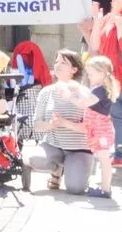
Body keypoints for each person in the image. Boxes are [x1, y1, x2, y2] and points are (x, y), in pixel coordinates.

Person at [25, 49, 92, 195]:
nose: (57, 65)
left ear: (74, 69)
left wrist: (65, 122)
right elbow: (37, 125)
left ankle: (76, 170)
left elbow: (90, 128)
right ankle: (57, 170)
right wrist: (51, 124)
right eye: (56, 62)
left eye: (63, 62)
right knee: (34, 159)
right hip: (53, 145)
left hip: (78, 148)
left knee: (76, 189)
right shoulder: (46, 92)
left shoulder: (84, 93)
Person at [58, 56, 116, 198]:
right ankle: (104, 186)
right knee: (102, 159)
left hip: (101, 132)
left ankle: (105, 189)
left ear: (102, 73)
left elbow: (84, 103)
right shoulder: (99, 89)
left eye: (90, 74)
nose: (88, 77)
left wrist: (69, 96)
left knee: (104, 160)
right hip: (99, 130)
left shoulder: (100, 91)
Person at [81, 0, 122, 166]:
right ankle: (117, 154)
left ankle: (119, 155)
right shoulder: (106, 18)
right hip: (109, 77)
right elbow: (95, 47)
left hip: (119, 74)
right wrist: (97, 21)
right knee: (113, 116)